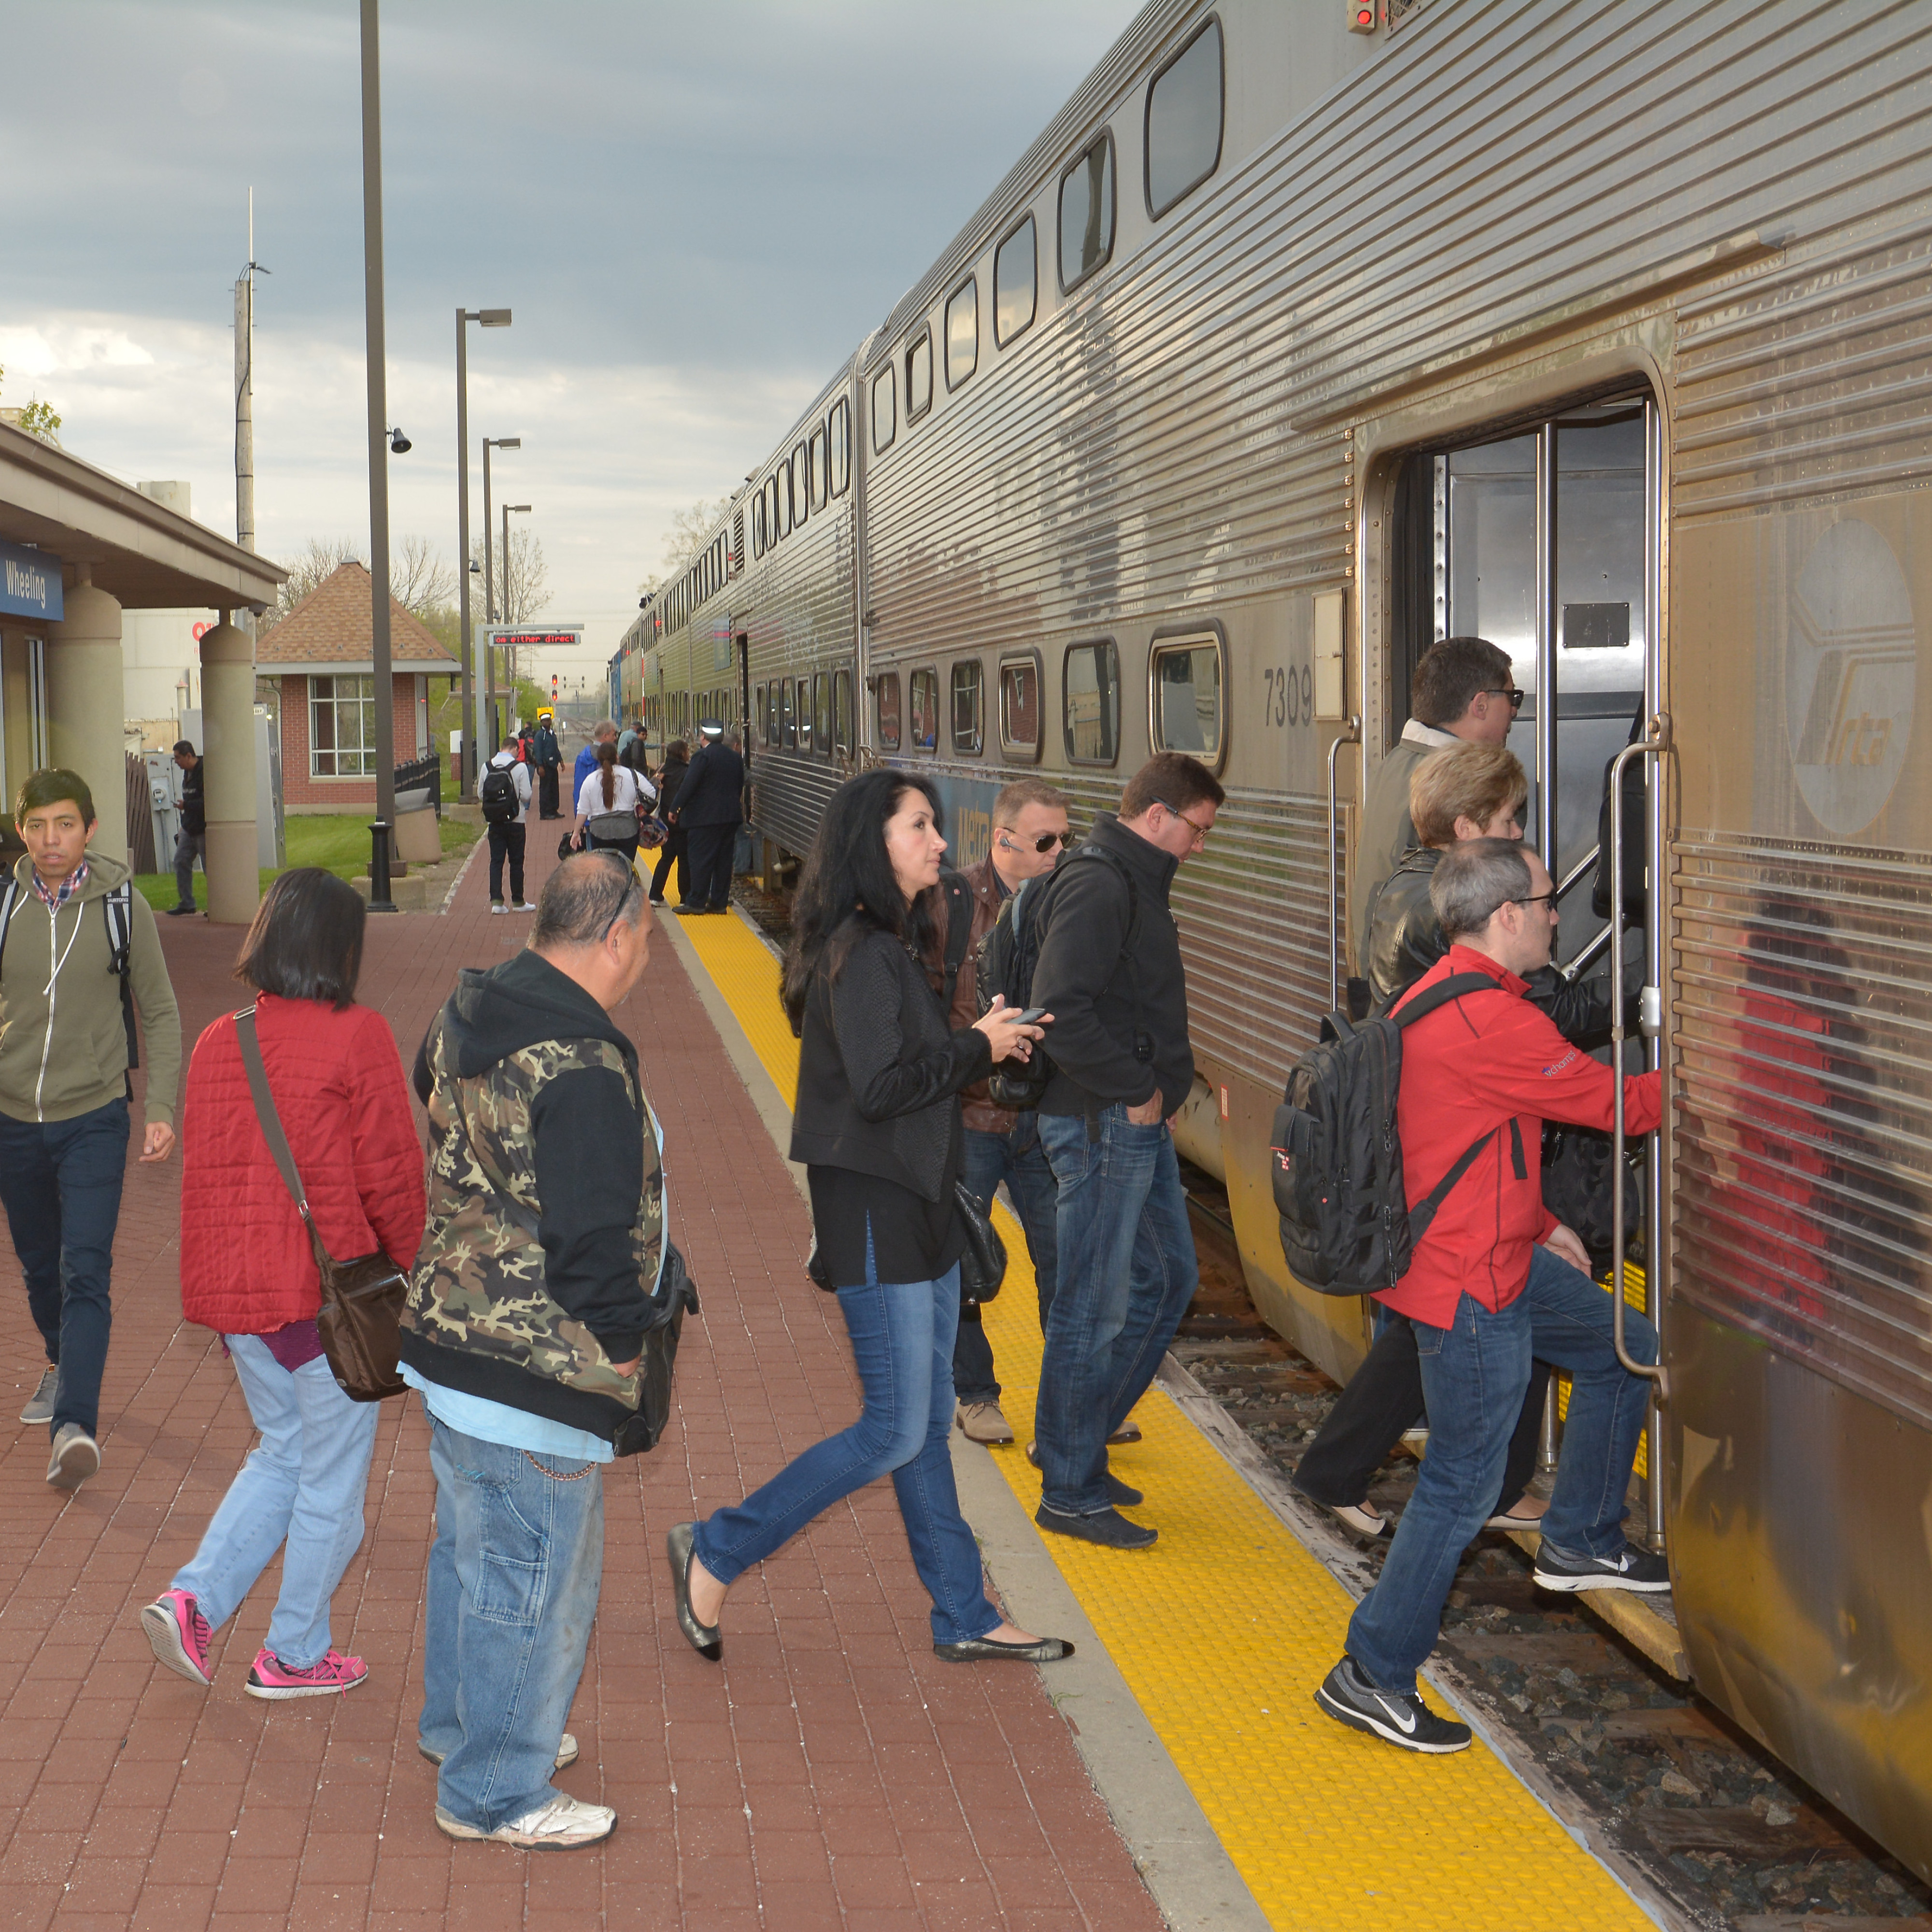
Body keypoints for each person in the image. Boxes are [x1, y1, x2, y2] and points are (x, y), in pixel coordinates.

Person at [670, 770, 1070, 1669]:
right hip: (877, 1208)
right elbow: (887, 1087)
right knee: (892, 1428)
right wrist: (981, 1046)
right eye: (920, 826)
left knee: (921, 1424)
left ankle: (963, 1610)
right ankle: (718, 1546)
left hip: (913, 1199)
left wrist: (980, 1036)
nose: (939, 842)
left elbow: (898, 1067)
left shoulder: (888, 943)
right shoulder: (866, 951)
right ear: (872, 844)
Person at [1315, 838, 1666, 1756]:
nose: (1560, 914)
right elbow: (1623, 1106)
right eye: (1549, 901)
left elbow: (1472, 1129)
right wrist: (1727, 1065)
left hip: (1492, 1254)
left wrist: (1543, 1215)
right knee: (1462, 1484)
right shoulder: (1492, 1023)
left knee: (1625, 1345)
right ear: (1508, 914)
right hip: (1471, 1282)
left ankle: (1582, 1533)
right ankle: (1373, 1671)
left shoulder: (1445, 994)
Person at [403, 853, 666, 1849]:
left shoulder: (467, 1009)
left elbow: (432, 1107)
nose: (644, 954)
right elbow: (593, 1247)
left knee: (471, 1549)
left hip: (451, 1339)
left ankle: (461, 1726)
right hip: (534, 1368)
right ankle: (492, 1791)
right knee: (530, 1575)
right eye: (644, 936)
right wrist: (629, 1349)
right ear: (614, 938)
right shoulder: (584, 1069)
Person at [1294, 743, 1613, 1540]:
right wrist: (1643, 998)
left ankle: (1350, 1468)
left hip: (1449, 1145)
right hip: (1472, 1152)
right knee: (1471, 1322)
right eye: (1508, 822)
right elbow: (1549, 1021)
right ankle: (1485, 1487)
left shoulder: (1407, 889)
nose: (1517, 837)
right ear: (1470, 826)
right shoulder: (1458, 912)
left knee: (1435, 1324)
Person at [139, 868, 424, 1699]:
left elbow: (216, 1178)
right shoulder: (356, 1034)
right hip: (324, 1300)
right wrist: (412, 1272)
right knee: (332, 1482)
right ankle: (293, 1653)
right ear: (341, 947)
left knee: (284, 1454)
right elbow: (393, 1179)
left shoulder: (217, 1038)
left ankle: (192, 1602)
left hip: (240, 1303)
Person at [1028, 752, 1224, 1549]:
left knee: (1168, 1277)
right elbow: (1060, 1010)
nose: (1200, 847)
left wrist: (1157, 1092)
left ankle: (1075, 1445)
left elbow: (1123, 1001)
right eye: (1198, 831)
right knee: (1091, 1304)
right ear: (1158, 817)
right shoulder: (1102, 882)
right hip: (1105, 1121)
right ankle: (1069, 1492)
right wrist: (1139, 1089)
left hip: (1131, 1122)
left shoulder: (1131, 879)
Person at [0, 769, 182, 1488]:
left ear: (90, 830)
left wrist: (161, 1106)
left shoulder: (122, 907)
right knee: (40, 1266)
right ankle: (58, 1357)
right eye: (39, 826)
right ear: (22, 832)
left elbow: (160, 1011)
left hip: (95, 1117)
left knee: (86, 1269)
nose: (52, 840)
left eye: (66, 825)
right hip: (14, 1119)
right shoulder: (6, 904)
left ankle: (75, 1423)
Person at [930, 777, 1073, 1447]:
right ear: (1002, 839)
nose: (1058, 853)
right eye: (1047, 841)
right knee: (967, 1258)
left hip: (1045, 1120)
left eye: (1066, 840)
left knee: (1063, 1261)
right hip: (972, 1115)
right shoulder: (950, 903)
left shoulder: (1068, 904)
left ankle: (1072, 1401)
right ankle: (975, 1394)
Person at [1355, 636, 1518, 965]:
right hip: (1426, 982)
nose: (1515, 710)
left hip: (1383, 974)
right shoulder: (1460, 785)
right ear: (1481, 704)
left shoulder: (1399, 762)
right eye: (1512, 697)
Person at [671, 722, 744, 918]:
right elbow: (740, 785)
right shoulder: (735, 758)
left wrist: (675, 807)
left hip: (704, 820)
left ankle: (696, 902)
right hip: (730, 818)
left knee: (701, 861)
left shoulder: (702, 757)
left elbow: (689, 785)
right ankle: (719, 903)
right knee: (723, 861)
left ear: (703, 737)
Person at [480, 740, 535, 914]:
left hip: (494, 822)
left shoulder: (487, 766)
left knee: (496, 861)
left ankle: (497, 902)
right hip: (516, 821)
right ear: (513, 749)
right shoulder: (520, 768)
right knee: (516, 862)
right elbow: (526, 796)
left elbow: (481, 794)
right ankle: (518, 901)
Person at [573, 739, 649, 866]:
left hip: (600, 831)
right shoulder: (632, 775)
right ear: (617, 757)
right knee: (626, 868)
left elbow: (582, 810)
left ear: (599, 759)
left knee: (604, 870)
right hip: (627, 829)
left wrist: (576, 833)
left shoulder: (590, 780)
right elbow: (651, 793)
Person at [165, 739, 205, 917]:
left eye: (178, 758)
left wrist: (186, 806)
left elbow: (207, 802)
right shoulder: (187, 773)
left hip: (204, 827)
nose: (177, 762)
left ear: (189, 756)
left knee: (211, 868)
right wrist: (183, 826)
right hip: (189, 827)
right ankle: (187, 903)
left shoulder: (204, 771)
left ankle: (220, 904)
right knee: (180, 860)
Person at [648, 739, 691, 907]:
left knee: (666, 858)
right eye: (687, 750)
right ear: (681, 753)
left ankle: (655, 895)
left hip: (664, 822)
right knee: (684, 860)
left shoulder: (662, 770)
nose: (688, 753)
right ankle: (685, 898)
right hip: (681, 821)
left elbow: (650, 789)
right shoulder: (687, 772)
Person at [573, 719, 617, 810]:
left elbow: (579, 788)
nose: (615, 738)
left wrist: (580, 814)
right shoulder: (608, 759)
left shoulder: (582, 757)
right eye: (613, 735)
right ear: (605, 736)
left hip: (588, 813)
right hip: (605, 812)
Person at [533, 711, 564, 819]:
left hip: (553, 765)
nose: (548, 722)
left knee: (554, 789)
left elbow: (556, 749)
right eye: (545, 721)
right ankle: (545, 813)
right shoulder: (540, 735)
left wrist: (561, 761)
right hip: (545, 766)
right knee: (545, 790)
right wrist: (540, 766)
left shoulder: (552, 734)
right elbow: (538, 751)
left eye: (549, 720)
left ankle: (554, 810)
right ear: (542, 722)